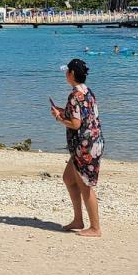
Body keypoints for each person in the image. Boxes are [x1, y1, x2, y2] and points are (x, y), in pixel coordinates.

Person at [50, 58, 103, 237]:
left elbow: (75, 123)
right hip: (93, 142)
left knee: (85, 185)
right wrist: (62, 111)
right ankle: (78, 220)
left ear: (71, 74)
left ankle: (95, 228)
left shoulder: (74, 96)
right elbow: (84, 116)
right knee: (68, 179)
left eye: (67, 71)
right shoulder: (88, 92)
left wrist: (59, 118)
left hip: (84, 146)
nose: (65, 74)